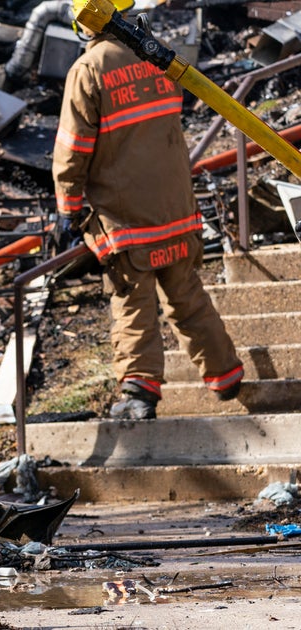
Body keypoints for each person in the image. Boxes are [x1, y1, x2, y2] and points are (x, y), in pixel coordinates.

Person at [52, 0, 244, 420]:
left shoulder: (88, 70)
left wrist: (67, 210)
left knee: (132, 305)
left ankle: (139, 395)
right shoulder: (158, 57)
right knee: (188, 297)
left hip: (127, 221)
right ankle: (226, 374)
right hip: (177, 211)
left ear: (82, 22)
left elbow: (72, 150)